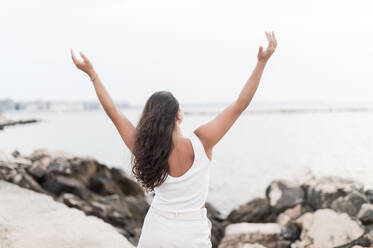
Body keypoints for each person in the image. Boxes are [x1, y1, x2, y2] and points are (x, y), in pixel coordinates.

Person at [71, 31, 277, 248]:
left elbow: (114, 113)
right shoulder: (202, 141)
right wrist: (261, 63)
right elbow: (239, 105)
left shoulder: (145, 148)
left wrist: (92, 73)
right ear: (179, 114)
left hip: (157, 230)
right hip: (192, 234)